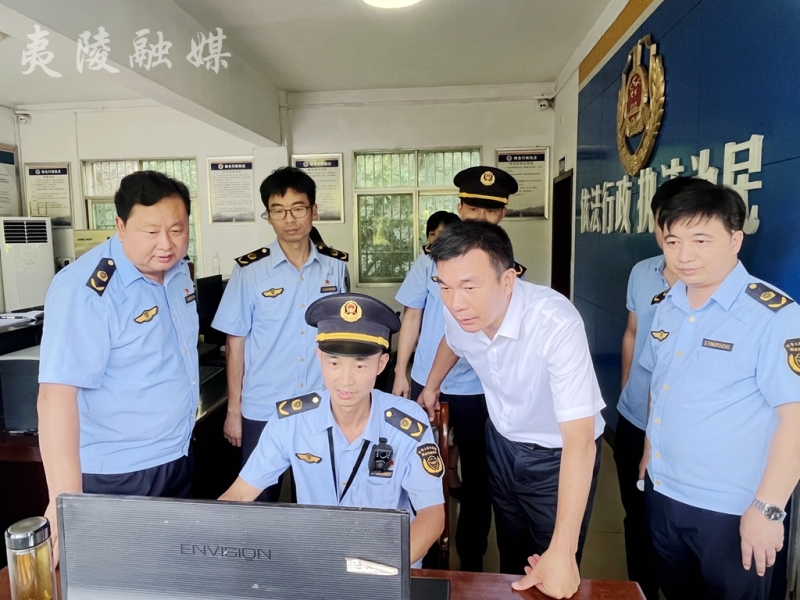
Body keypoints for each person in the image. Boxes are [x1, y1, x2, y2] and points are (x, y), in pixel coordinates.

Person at [422, 220, 604, 598]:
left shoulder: (555, 324)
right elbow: (453, 342)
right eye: (444, 286)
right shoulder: (460, 311)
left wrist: (564, 550)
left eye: (469, 286)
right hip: (502, 442)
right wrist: (432, 385)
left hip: (556, 455)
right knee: (512, 553)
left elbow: (580, 441)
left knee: (551, 564)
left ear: (507, 280)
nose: (455, 303)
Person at [638, 184, 800, 600]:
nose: (684, 255)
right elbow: (662, 387)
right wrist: (649, 453)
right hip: (664, 494)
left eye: (701, 240)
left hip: (733, 510)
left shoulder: (774, 316)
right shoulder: (667, 304)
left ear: (735, 240)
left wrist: (768, 509)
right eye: (673, 241)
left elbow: (795, 420)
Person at [38, 170, 199, 558]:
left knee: (173, 573)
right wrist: (64, 502)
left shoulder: (178, 271)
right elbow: (56, 397)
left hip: (176, 456)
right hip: (120, 475)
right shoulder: (86, 290)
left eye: (177, 230)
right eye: (151, 232)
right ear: (121, 226)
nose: (166, 244)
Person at [220, 293, 445, 566]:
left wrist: (379, 569)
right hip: (317, 564)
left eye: (360, 365)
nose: (345, 380)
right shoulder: (291, 421)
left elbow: (432, 515)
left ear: (381, 364)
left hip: (389, 563)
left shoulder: (406, 424)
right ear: (319, 356)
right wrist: (202, 540)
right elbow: (240, 494)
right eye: (334, 363)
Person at [394, 167, 525, 572]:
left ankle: (471, 559)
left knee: (480, 478)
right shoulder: (429, 262)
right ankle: (428, 554)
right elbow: (412, 317)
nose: (480, 218)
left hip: (481, 390)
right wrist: (400, 373)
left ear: (502, 215)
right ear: (460, 208)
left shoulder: (508, 271)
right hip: (427, 382)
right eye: (473, 208)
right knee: (422, 469)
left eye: (490, 210)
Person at [212, 167, 349, 501]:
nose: (290, 219)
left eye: (298, 208)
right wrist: (233, 411)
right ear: (269, 216)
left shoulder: (335, 266)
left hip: (320, 406)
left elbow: (344, 338)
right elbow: (235, 344)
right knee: (257, 504)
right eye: (278, 210)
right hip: (263, 408)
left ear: (314, 211)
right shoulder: (249, 271)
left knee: (320, 504)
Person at [616, 177, 715, 599]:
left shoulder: (714, 284)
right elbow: (631, 332)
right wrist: (627, 394)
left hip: (684, 430)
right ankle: (639, 589)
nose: (676, 243)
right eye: (666, 227)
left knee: (679, 527)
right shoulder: (642, 273)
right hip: (635, 418)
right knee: (636, 516)